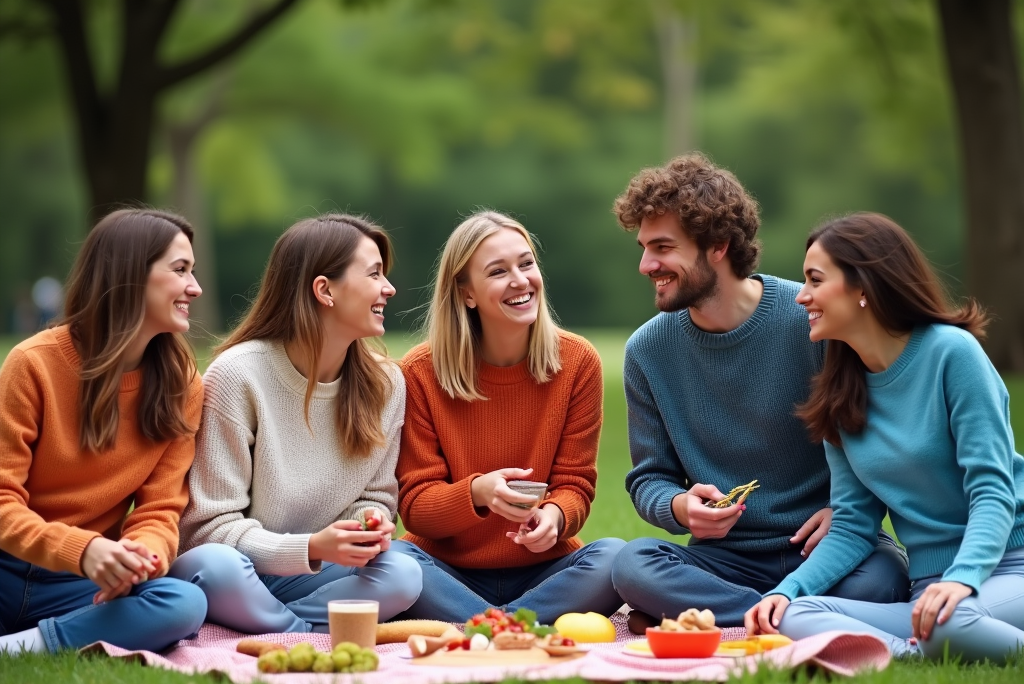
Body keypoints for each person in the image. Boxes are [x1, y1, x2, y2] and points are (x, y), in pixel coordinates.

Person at [609, 154, 909, 628]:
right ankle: (793, 616)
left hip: (825, 548)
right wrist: (680, 507)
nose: (647, 264)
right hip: (725, 562)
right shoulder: (647, 351)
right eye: (644, 247)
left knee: (881, 576)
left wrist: (848, 511)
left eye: (663, 247)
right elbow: (649, 479)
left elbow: (882, 439)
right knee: (632, 566)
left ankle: (731, 615)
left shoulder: (812, 321)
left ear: (718, 246)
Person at [744, 213, 1024, 663]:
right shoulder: (838, 391)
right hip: (927, 592)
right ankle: (914, 652)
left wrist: (962, 578)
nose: (801, 296)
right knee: (796, 615)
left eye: (815, 280)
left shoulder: (952, 354)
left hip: (1007, 566)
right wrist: (787, 590)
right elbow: (853, 525)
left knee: (946, 622)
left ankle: (919, 645)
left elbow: (993, 491)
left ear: (863, 287)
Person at [170, 214, 421, 634]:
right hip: (238, 567)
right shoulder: (238, 375)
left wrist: (367, 525)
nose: (388, 288)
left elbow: (377, 497)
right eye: (374, 273)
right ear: (324, 290)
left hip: (317, 573)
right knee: (216, 567)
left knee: (404, 573)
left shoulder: (385, 383)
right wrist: (309, 546)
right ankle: (302, 635)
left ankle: (274, 629)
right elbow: (205, 529)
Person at [391, 211, 626, 624]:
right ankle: (518, 625)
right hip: (446, 572)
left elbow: (575, 484)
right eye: (498, 271)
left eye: (526, 263)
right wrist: (479, 492)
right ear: (466, 294)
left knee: (617, 558)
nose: (520, 279)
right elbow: (415, 507)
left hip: (545, 571)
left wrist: (553, 517)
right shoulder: (419, 372)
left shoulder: (577, 363)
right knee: (392, 561)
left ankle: (487, 625)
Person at [0, 208, 208, 654]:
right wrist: (83, 548)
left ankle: (25, 647)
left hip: (82, 584)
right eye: (180, 270)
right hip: (10, 564)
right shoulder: (32, 364)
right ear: (131, 275)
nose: (195, 287)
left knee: (184, 603)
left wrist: (136, 562)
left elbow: (159, 512)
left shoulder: (181, 386)